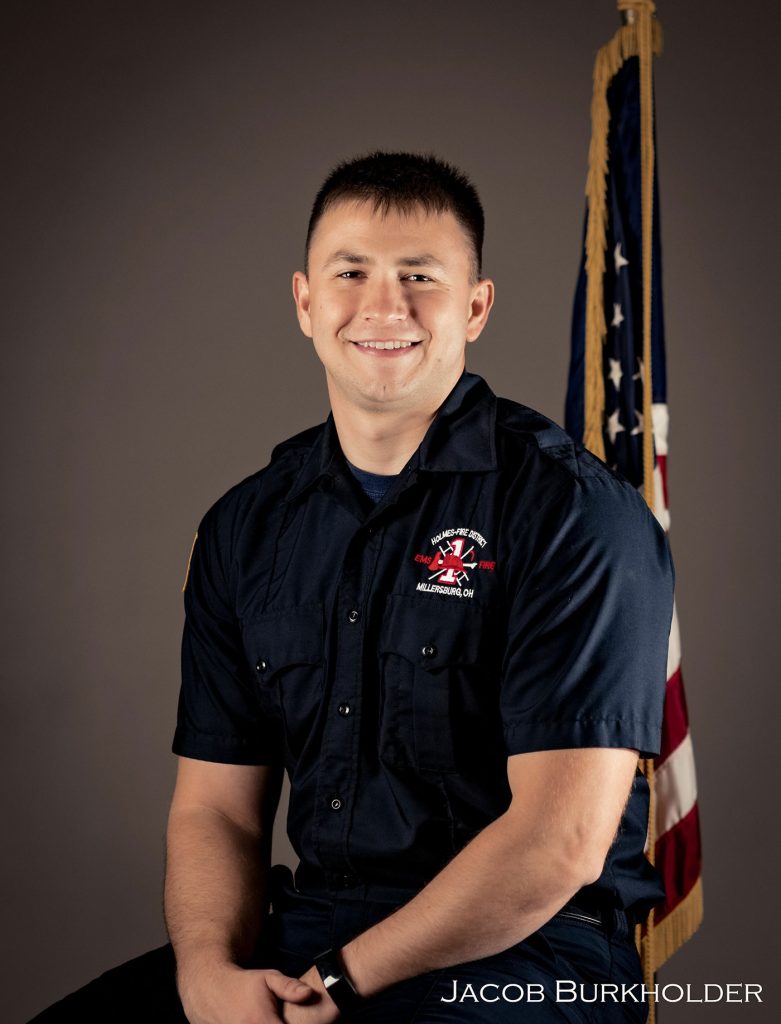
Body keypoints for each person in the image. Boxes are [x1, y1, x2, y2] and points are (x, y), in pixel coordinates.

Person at [28, 151, 674, 1024]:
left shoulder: (573, 515)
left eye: (420, 276)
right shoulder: (245, 527)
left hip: (532, 951)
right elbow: (217, 809)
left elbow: (557, 845)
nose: (384, 305)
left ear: (475, 307)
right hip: (311, 931)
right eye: (350, 272)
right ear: (304, 302)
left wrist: (338, 983)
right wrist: (208, 974)